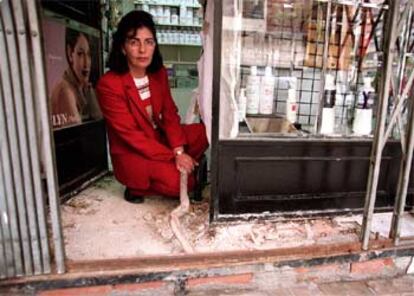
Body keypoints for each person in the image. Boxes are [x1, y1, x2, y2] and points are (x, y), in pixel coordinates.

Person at [96, 10, 208, 203]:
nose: (142, 50)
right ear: (123, 47)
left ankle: (182, 166)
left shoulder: (158, 74)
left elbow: (170, 114)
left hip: (158, 139)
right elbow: (131, 136)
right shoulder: (109, 84)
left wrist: (179, 152)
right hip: (134, 151)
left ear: (155, 45)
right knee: (185, 184)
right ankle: (136, 187)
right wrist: (174, 156)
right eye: (134, 42)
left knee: (205, 133)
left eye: (149, 42)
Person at [51, 28, 102, 127]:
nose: (86, 63)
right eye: (80, 54)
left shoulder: (81, 88)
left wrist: (89, 91)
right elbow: (80, 136)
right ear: (70, 53)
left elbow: (99, 122)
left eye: (88, 54)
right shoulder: (65, 91)